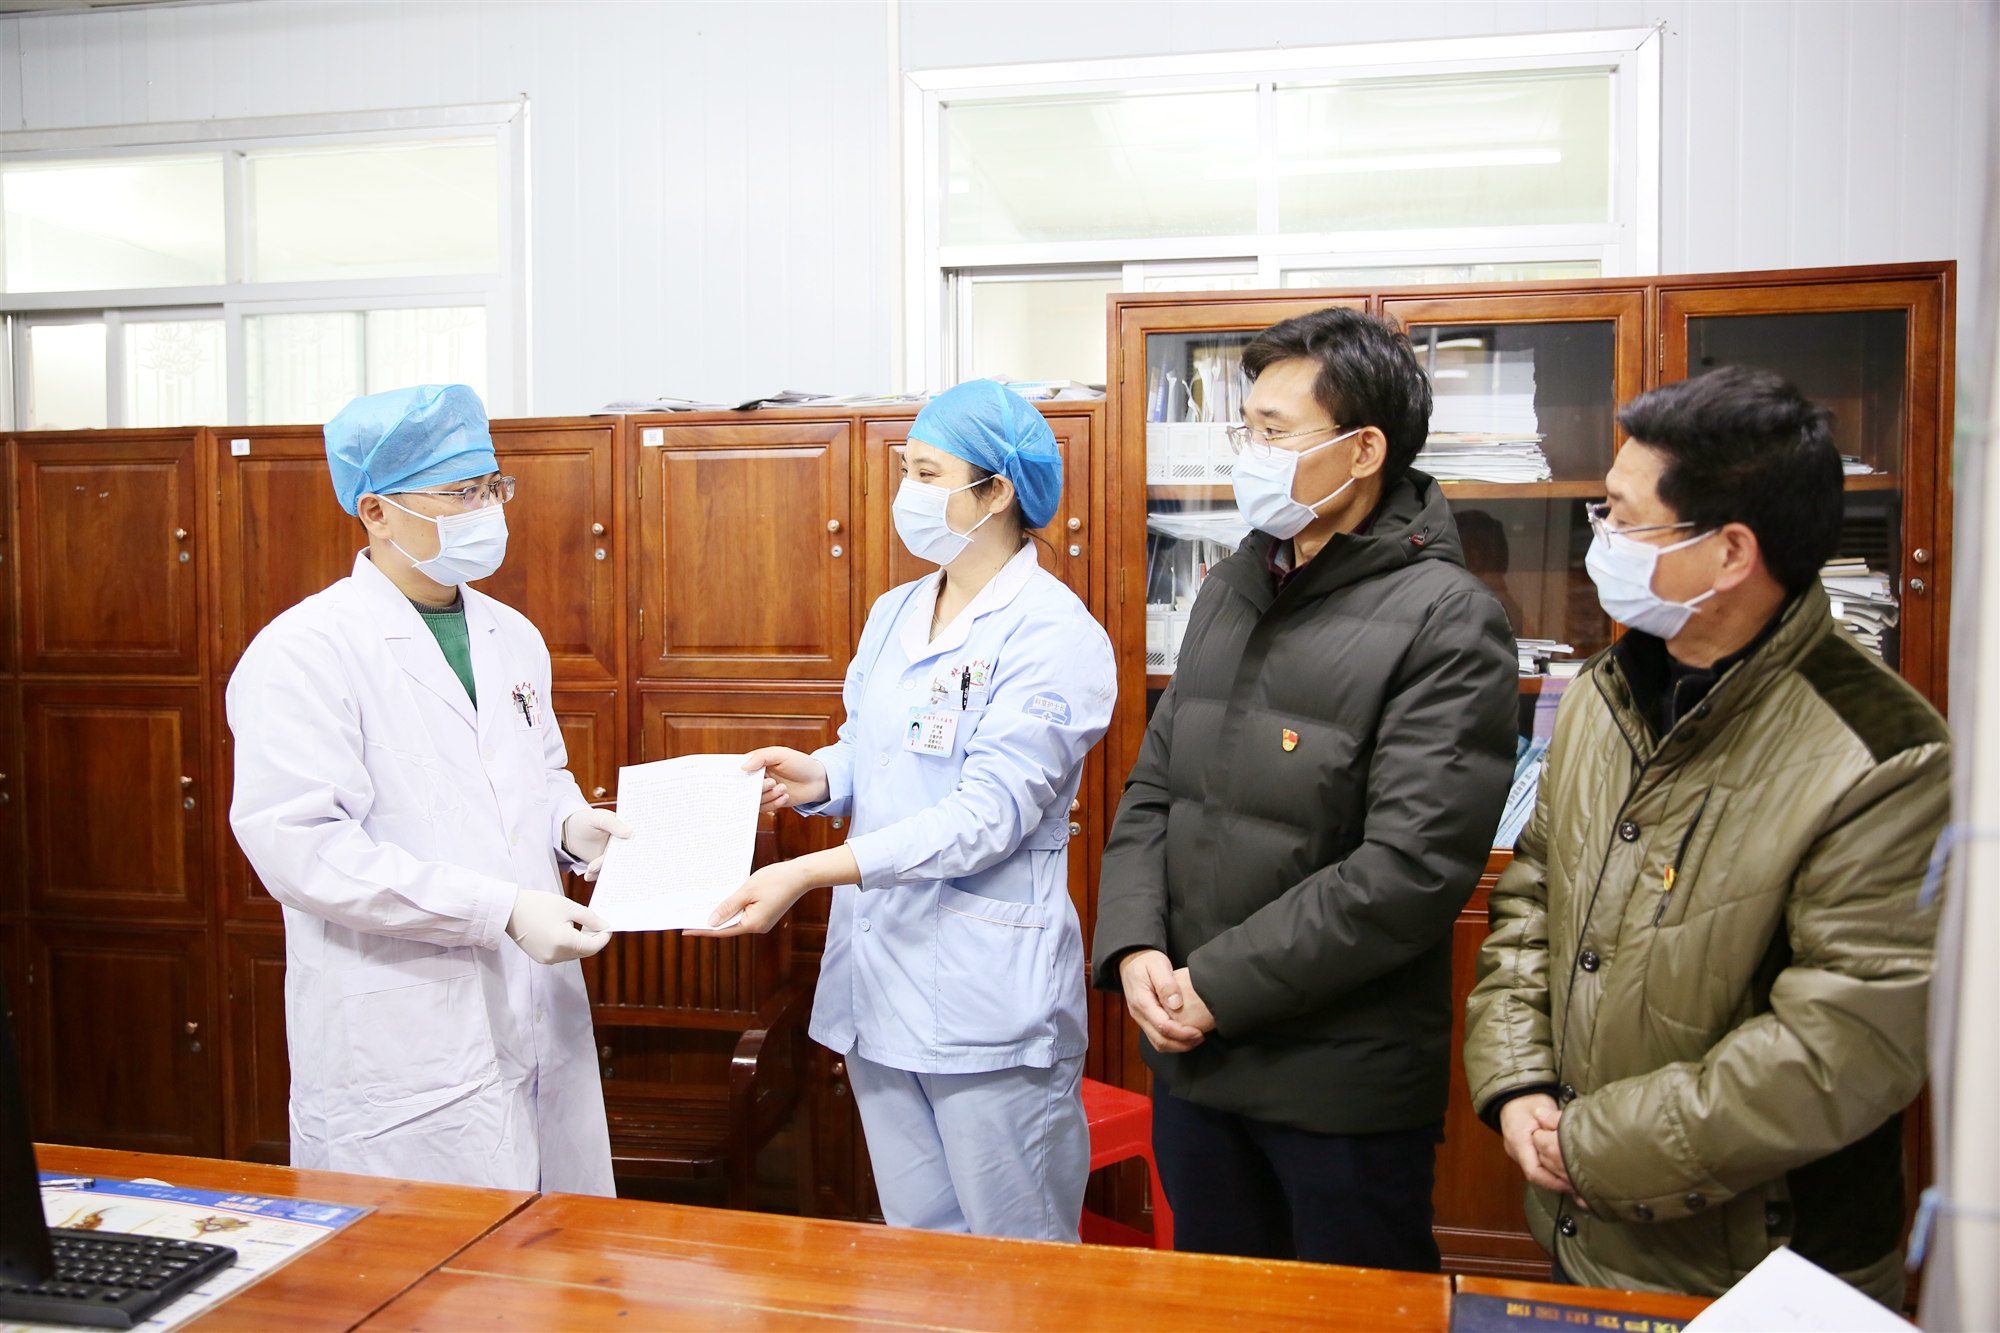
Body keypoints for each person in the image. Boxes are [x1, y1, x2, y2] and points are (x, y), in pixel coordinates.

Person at [1463, 367, 1949, 1305]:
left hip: (1766, 1267)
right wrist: (1519, 1085)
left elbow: (1838, 1049)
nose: (1599, 538)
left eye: (1620, 516)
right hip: (1584, 1222)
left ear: (1729, 553)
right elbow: (1532, 899)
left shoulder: (1883, 755)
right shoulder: (1606, 692)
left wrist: (1590, 1144)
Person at [1090, 306, 1518, 1270]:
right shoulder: (1234, 583)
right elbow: (1155, 787)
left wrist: (1217, 985)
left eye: (1275, 432)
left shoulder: (1446, 620)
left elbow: (1408, 870)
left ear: (1363, 450)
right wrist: (1136, 945)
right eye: (1247, 429)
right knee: (1216, 1306)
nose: (1251, 454)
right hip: (1196, 1058)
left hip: (1335, 1088)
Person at [702, 379, 1116, 1242]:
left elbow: (986, 815)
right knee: (921, 1244)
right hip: (880, 979)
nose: (907, 492)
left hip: (986, 999)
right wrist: (820, 775)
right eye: (908, 470)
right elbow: (876, 748)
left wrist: (810, 869)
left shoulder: (1054, 634)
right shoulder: (897, 611)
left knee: (1019, 1260)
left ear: (996, 492)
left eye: (928, 473)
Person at [227, 383, 629, 1193]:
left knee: (557, 1251)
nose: (487, 511)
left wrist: (573, 825)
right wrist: (500, 909)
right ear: (375, 510)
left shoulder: (512, 636)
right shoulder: (305, 650)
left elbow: (536, 772)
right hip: (404, 1028)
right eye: (460, 493)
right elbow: (304, 852)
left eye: (492, 487)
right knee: (423, 1260)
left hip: (534, 1004)